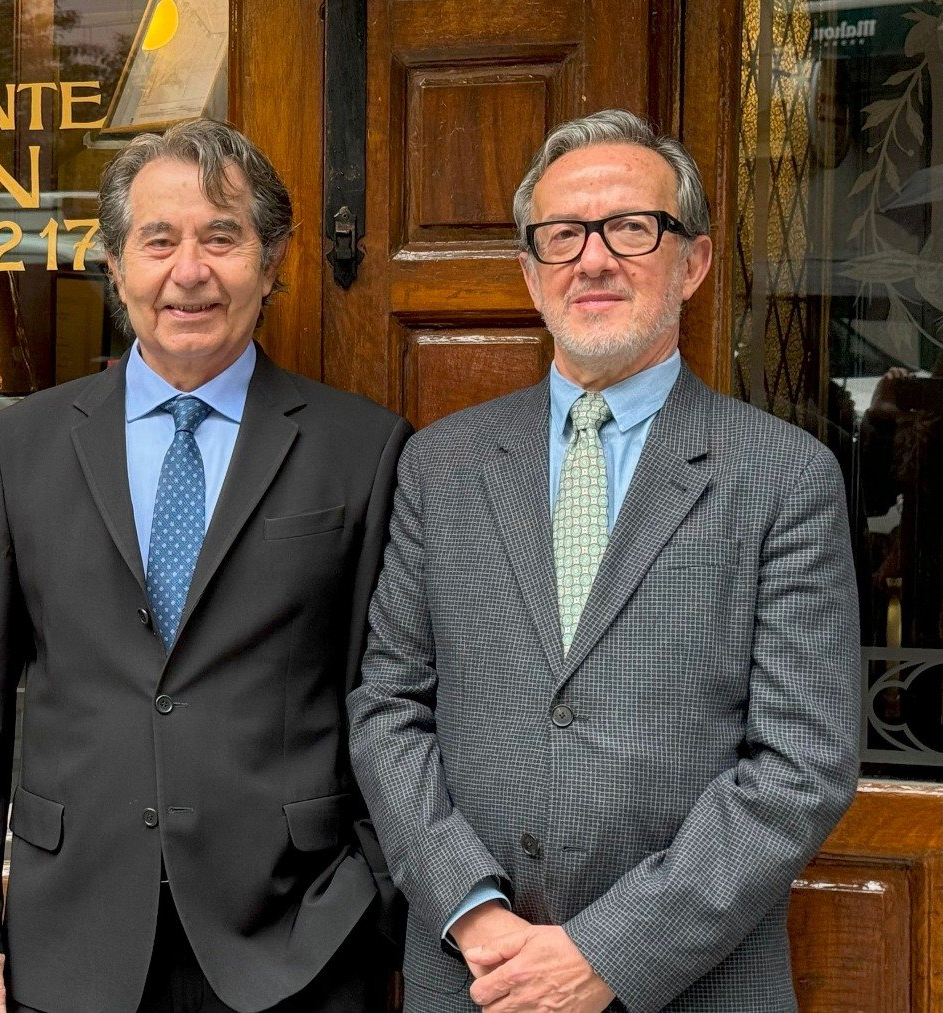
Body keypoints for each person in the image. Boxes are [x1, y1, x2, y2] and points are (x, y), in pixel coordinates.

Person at [348, 107, 861, 1012]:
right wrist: (475, 912)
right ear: (530, 272)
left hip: (694, 984)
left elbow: (800, 765)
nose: (593, 258)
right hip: (478, 978)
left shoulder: (783, 474)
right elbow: (389, 706)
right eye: (561, 234)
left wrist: (607, 953)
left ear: (693, 262)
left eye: (631, 227)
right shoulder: (443, 462)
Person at [0, 118, 412, 1013]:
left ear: (271, 261)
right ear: (115, 264)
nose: (190, 271)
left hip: (298, 941)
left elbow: (385, 694)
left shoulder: (362, 449)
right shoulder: (17, 449)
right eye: (159, 241)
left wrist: (376, 898)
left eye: (222, 237)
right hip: (71, 941)